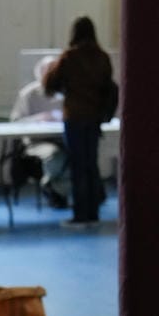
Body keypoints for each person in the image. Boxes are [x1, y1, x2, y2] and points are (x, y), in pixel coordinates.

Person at [42, 16, 115, 227]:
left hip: (74, 116)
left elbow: (50, 83)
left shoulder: (69, 57)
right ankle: (93, 212)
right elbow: (107, 86)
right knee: (91, 164)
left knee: (77, 165)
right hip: (94, 118)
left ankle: (80, 214)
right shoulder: (102, 57)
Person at [10, 55, 69, 208]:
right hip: (37, 141)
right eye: (49, 71)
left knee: (77, 155)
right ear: (40, 73)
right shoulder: (28, 94)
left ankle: (59, 191)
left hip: (62, 137)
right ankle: (51, 187)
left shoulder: (64, 93)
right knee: (55, 155)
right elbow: (16, 121)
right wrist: (39, 118)